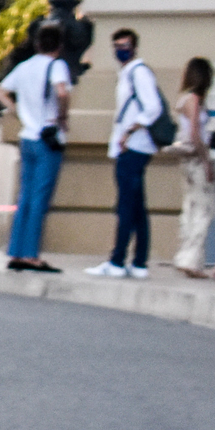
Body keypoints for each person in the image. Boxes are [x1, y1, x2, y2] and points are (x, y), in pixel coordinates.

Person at [0, 23, 73, 273]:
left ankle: (16, 250)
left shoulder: (25, 67)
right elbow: (61, 92)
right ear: (59, 46)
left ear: (38, 44)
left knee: (25, 197)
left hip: (26, 135)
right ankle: (31, 254)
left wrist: (19, 111)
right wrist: (62, 117)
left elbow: (1, 92)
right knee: (40, 198)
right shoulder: (57, 65)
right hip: (46, 136)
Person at [88, 28, 163, 278]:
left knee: (126, 207)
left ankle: (117, 260)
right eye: (117, 45)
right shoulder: (129, 73)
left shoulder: (138, 72)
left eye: (125, 45)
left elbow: (152, 108)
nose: (121, 50)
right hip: (131, 146)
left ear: (135, 47)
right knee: (137, 206)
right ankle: (139, 262)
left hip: (133, 147)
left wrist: (129, 131)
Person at [171, 57, 215, 278]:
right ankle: (191, 259)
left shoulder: (184, 99)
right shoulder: (194, 100)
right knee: (204, 209)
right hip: (197, 158)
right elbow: (195, 134)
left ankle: (186, 256)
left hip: (186, 159)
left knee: (190, 205)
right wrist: (207, 161)